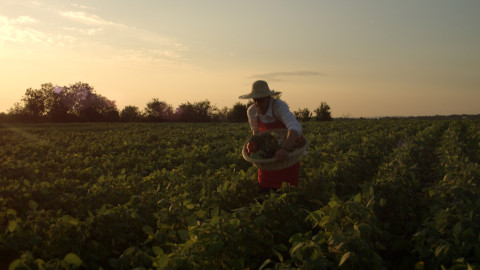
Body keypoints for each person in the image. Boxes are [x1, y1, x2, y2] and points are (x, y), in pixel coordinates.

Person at [239, 80, 303, 192]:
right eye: (255, 100)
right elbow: (256, 134)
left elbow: (295, 127)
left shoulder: (279, 107)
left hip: (286, 157)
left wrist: (284, 148)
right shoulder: (252, 111)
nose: (258, 104)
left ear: (268, 97)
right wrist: (254, 148)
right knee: (265, 191)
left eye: (261, 100)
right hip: (267, 161)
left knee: (286, 193)